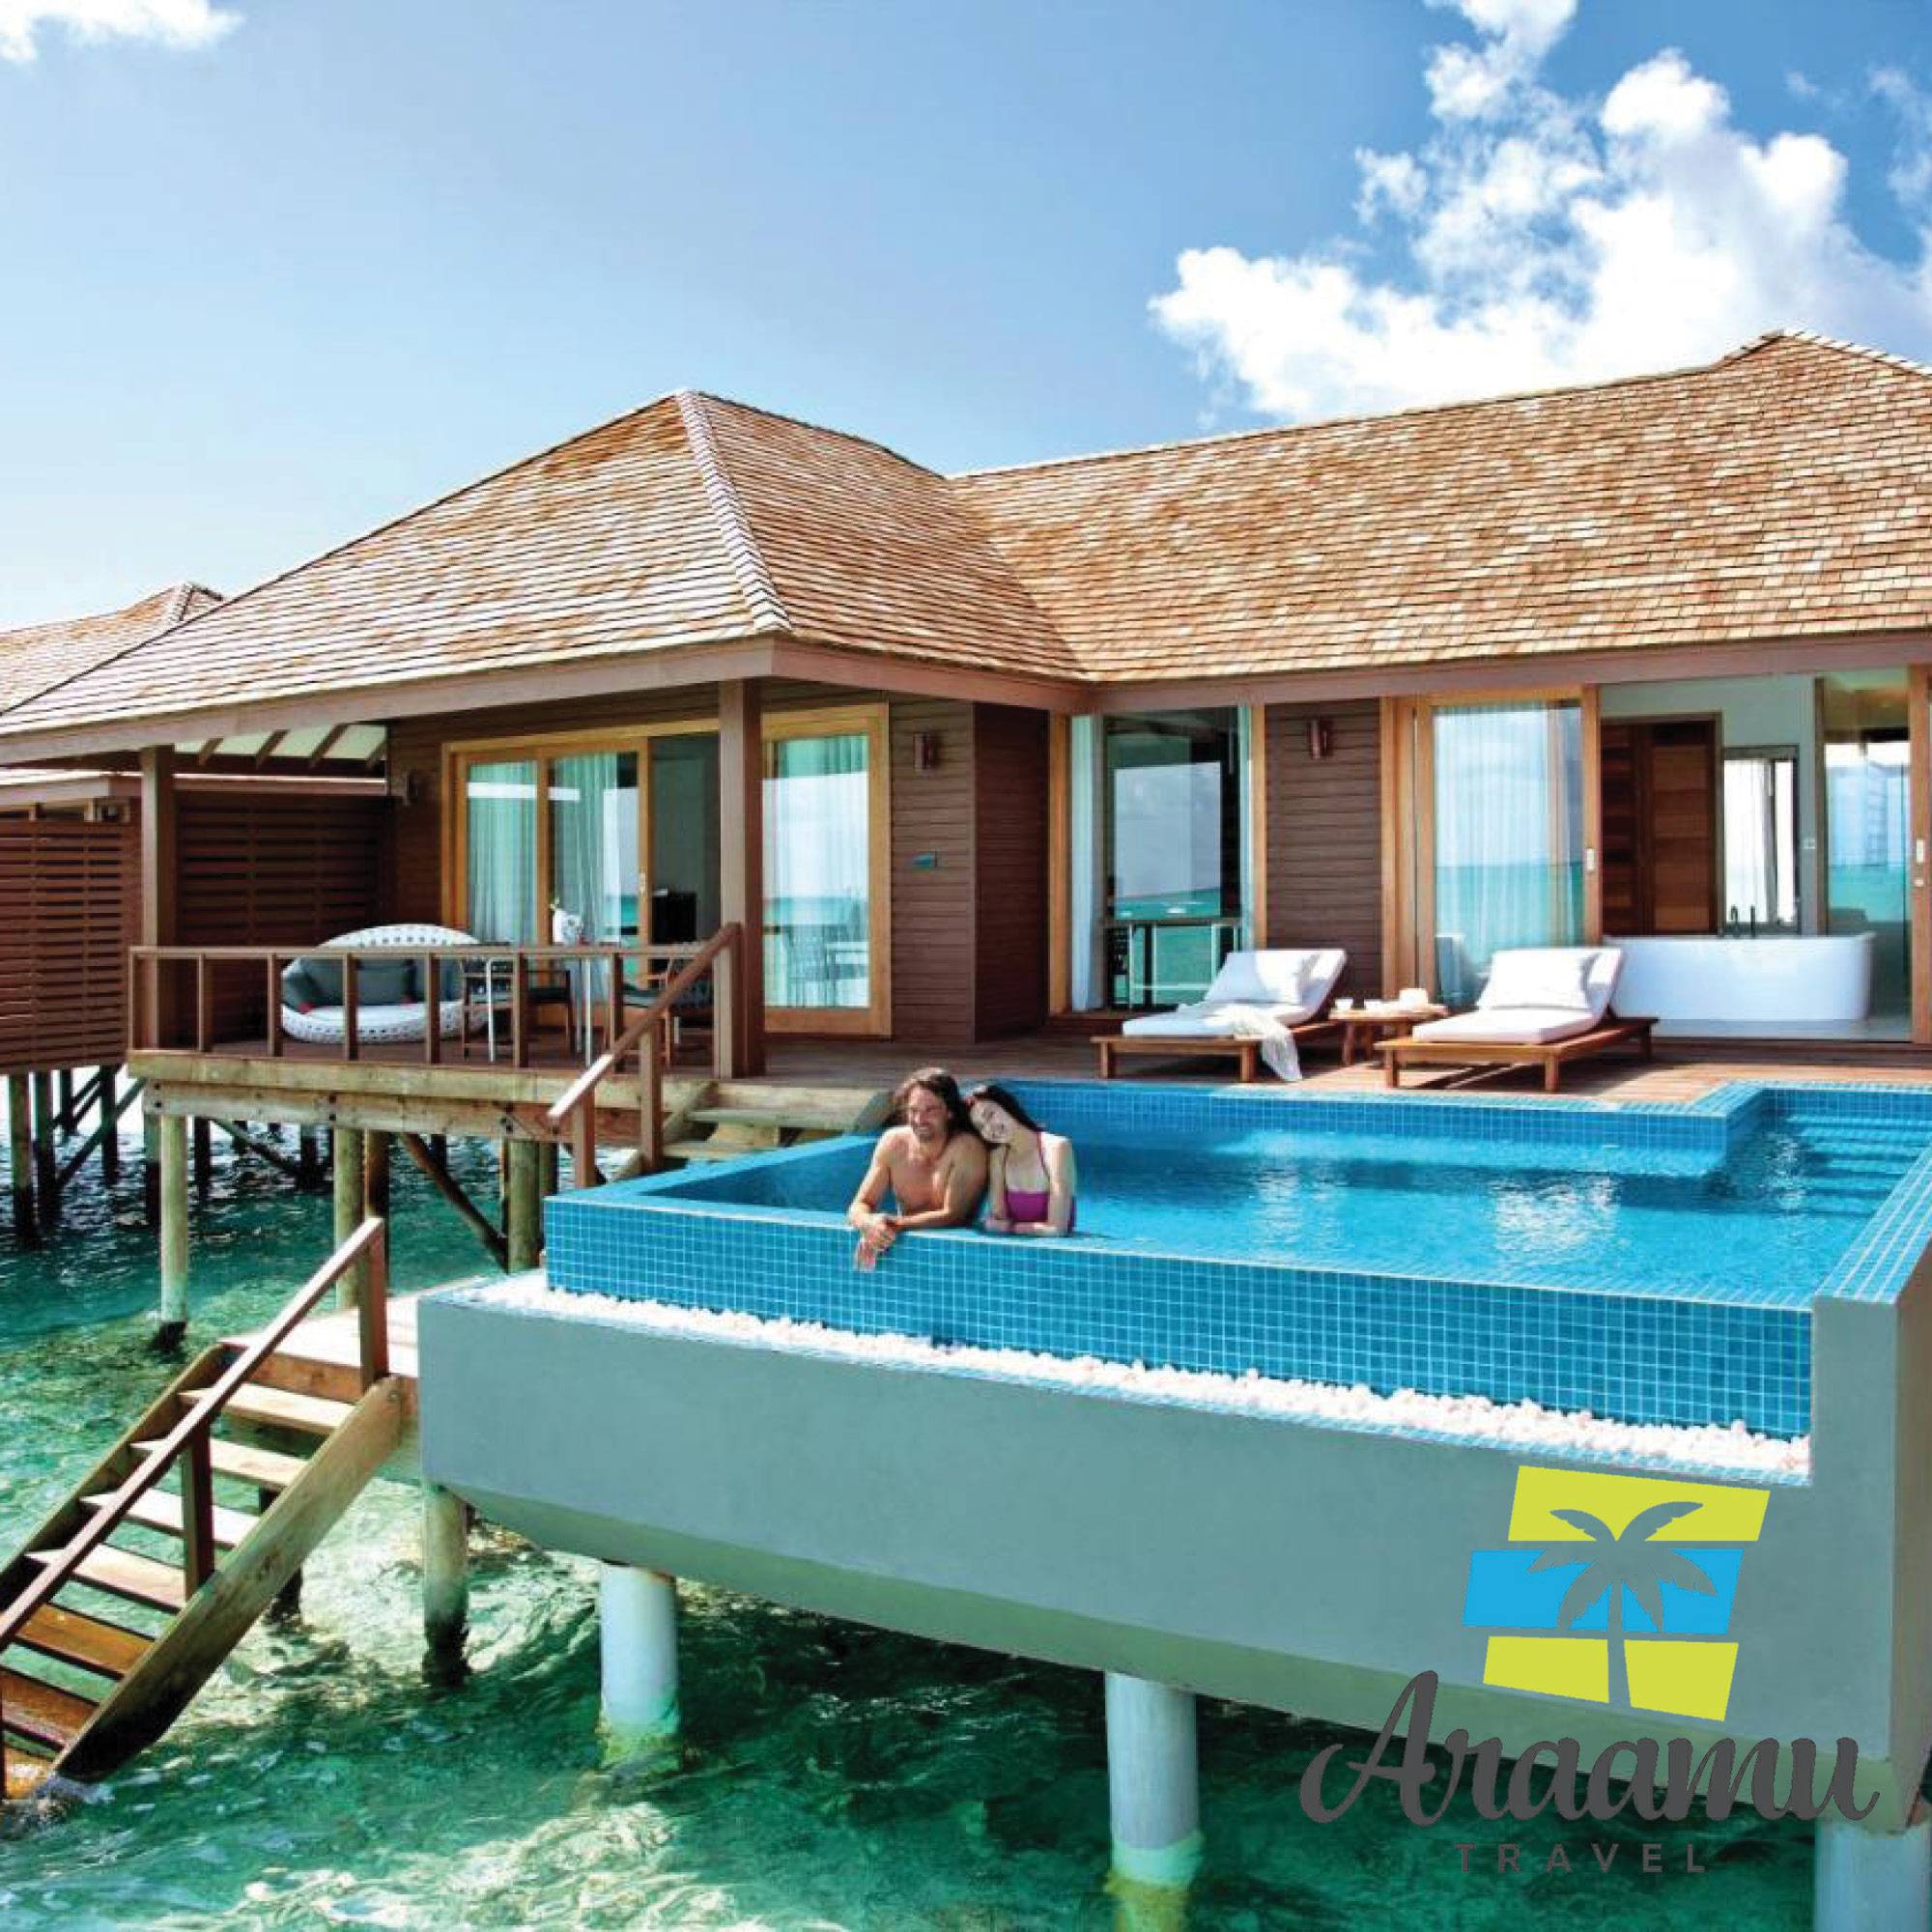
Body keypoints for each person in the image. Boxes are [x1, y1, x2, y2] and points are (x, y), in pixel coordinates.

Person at [847, 1067, 988, 1268]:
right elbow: (860, 1204)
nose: (919, 1120)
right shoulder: (893, 1142)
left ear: (949, 1112)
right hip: (905, 1255)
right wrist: (868, 1224)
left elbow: (953, 1215)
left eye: (930, 1110)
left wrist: (892, 1225)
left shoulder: (967, 1148)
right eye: (913, 1111)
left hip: (958, 1257)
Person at [967, 1083, 1077, 1236]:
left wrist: (1011, 1227)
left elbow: (1056, 1229)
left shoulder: (1056, 1147)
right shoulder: (999, 1156)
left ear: (1008, 1107)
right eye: (981, 1127)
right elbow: (999, 1220)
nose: (989, 1128)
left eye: (990, 1115)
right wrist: (998, 1225)